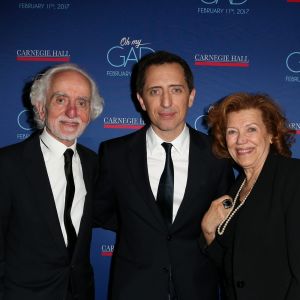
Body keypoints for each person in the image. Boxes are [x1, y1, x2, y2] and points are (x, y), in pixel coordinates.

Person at [94, 50, 234, 300]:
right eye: (155, 91)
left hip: (197, 288)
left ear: (191, 96)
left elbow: (226, 223)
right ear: (141, 100)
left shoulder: (217, 155)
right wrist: (139, 231)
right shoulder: (114, 154)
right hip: (133, 289)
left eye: (176, 90)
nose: (166, 102)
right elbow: (101, 211)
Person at [0, 63, 104, 300]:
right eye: (60, 100)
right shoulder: (6, 164)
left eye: (82, 103)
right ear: (40, 107)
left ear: (91, 112)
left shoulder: (96, 164)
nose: (72, 112)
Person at [201, 92, 300, 300]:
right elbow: (233, 269)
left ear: (271, 133)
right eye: (232, 132)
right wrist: (209, 233)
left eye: (251, 129)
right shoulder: (236, 189)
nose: (241, 140)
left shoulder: (292, 177)